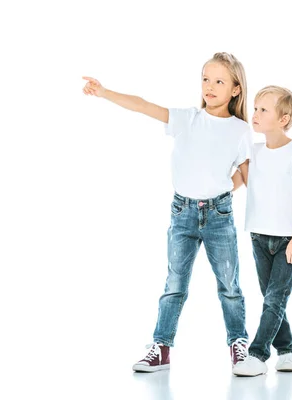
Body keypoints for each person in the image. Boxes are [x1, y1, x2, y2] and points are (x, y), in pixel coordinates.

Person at [82, 52, 253, 373]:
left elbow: (247, 173)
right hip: (182, 213)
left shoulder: (240, 130)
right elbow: (143, 105)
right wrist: (105, 93)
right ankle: (161, 347)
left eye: (219, 81)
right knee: (175, 283)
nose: (210, 86)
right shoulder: (188, 119)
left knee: (229, 285)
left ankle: (238, 344)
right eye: (205, 78)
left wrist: (220, 192)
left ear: (235, 90)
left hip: (219, 216)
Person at [231, 85, 292, 376]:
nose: (255, 114)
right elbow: (236, 181)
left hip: (287, 240)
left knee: (274, 299)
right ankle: (287, 350)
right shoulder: (252, 153)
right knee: (272, 298)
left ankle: (257, 355)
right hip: (258, 236)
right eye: (255, 108)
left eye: (263, 110)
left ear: (283, 118)